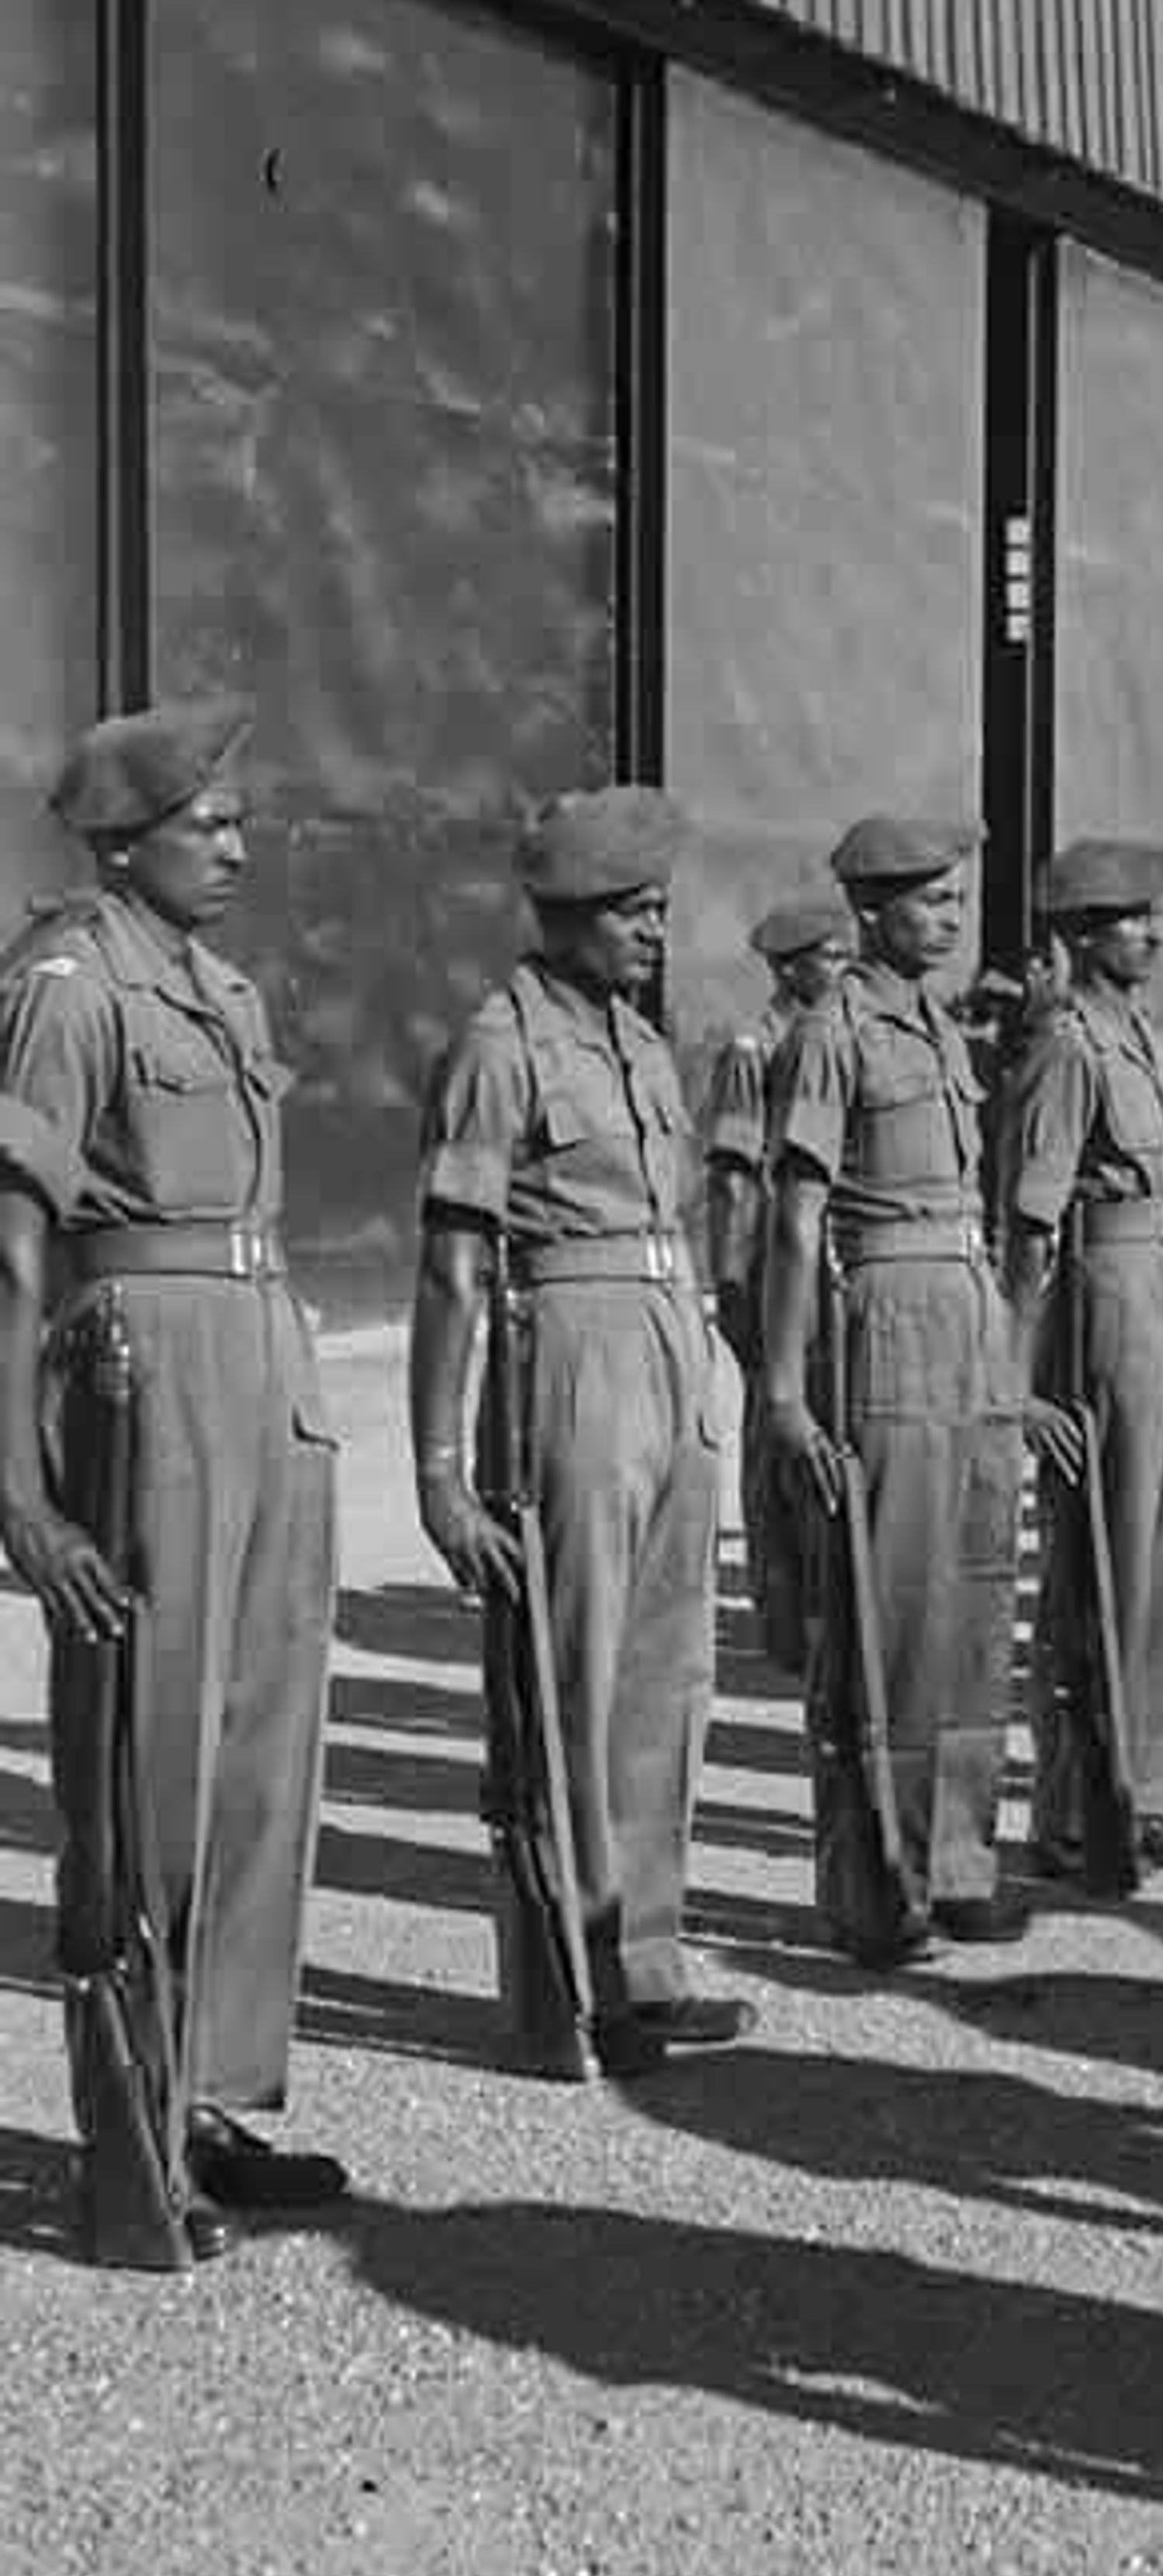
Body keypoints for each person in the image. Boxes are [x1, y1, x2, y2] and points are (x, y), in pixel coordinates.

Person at [0, 700, 344, 2260]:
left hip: (256, 1368)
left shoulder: (215, 985)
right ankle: (130, 2151)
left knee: (261, 1758)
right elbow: (10, 1249)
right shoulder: (68, 986)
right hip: (142, 1375)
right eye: (209, 821)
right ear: (126, 835)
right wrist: (20, 1490)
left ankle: (208, 2093)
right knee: (143, 1767)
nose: (237, 845)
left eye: (238, 819)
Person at [413, 787, 753, 2071]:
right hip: (571, 1348)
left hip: (666, 1346)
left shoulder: (641, 1043)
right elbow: (450, 1266)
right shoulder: (500, 1047)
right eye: (631, 911)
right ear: (563, 915)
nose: (654, 932)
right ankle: (562, 1979)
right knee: (572, 1673)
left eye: (660, 908)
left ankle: (643, 1961)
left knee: (669, 1674)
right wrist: (443, 1473)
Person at [757, 818, 1059, 1965]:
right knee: (888, 1610)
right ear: (874, 911)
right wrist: (785, 1391)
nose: (950, 917)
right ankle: (873, 1881)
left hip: (967, 1309)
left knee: (977, 1601)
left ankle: (961, 1861)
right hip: (883, 1310)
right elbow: (792, 1217)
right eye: (930, 901)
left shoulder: (937, 1028)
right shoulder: (833, 1033)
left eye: (955, 898)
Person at [1002, 837, 1163, 1876]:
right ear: (1088, 931)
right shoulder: (1068, 1044)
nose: (1158, 931)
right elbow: (1028, 1224)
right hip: (1108, 1302)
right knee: (1104, 1560)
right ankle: (1074, 1804)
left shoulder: (1139, 1032)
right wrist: (1012, 1373)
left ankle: (1151, 1789)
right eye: (1137, 918)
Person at [701, 889, 852, 1669]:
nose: (843, 968)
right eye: (830, 957)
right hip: (774, 1269)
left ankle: (834, 1603)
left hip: (834, 1276)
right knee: (776, 1449)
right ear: (791, 967)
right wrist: (733, 1290)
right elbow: (732, 1178)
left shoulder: (841, 1039)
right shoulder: (754, 1050)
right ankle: (790, 1619)